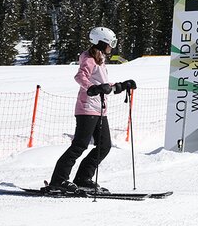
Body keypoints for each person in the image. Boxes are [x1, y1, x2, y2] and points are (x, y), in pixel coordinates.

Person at [47, 27, 136, 194]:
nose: (112, 47)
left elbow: (104, 86)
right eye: (111, 43)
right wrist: (92, 88)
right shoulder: (88, 58)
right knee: (79, 145)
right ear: (101, 42)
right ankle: (58, 180)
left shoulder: (100, 60)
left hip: (100, 109)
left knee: (104, 146)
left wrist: (122, 86)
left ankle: (83, 179)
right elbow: (80, 77)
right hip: (87, 108)